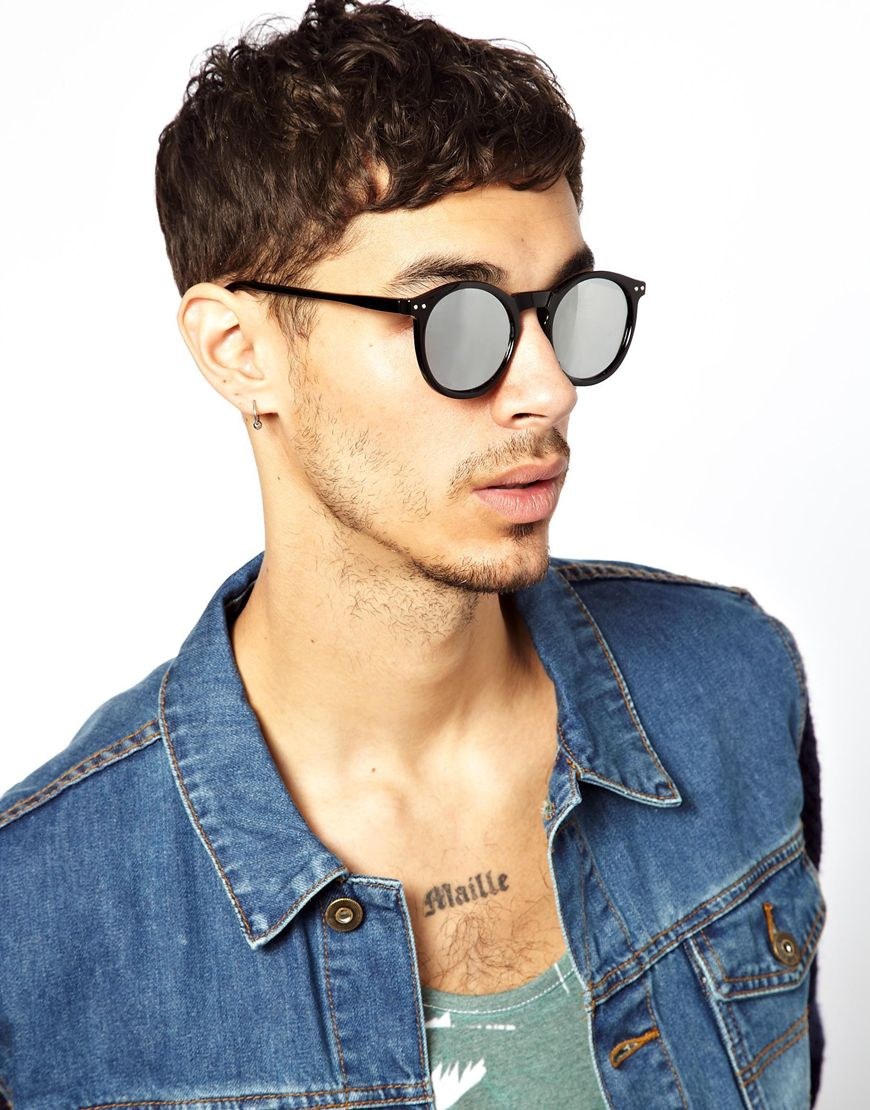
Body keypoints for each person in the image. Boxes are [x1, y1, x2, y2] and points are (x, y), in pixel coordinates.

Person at [0, 0, 825, 1106]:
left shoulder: (732, 681)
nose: (549, 388)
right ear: (240, 351)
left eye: (564, 309)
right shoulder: (39, 913)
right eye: (454, 318)